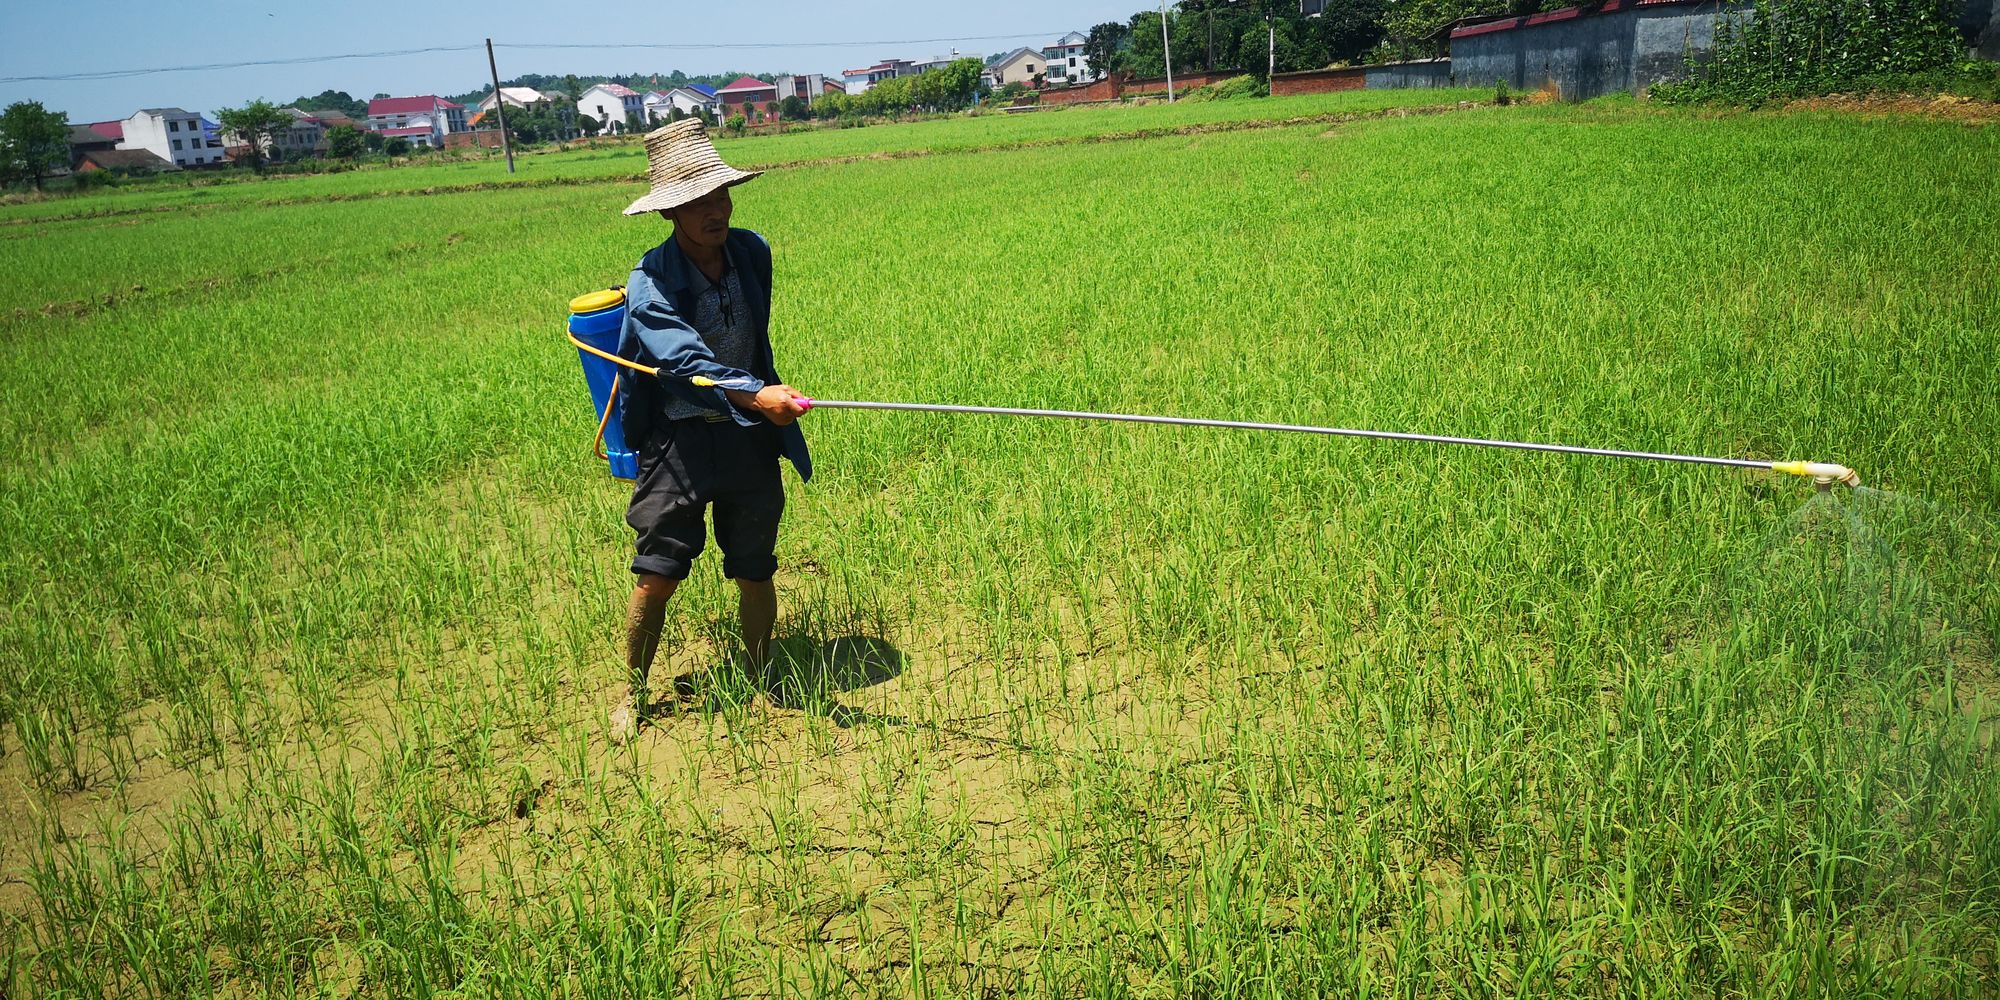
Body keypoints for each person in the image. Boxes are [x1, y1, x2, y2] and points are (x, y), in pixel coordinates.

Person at [609, 118, 811, 743]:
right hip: (678, 442)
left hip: (747, 433)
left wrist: (759, 398)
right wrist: (754, 393)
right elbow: (685, 359)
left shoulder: (752, 252)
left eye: (719, 195)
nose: (713, 210)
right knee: (657, 570)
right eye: (696, 202)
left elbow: (754, 339)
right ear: (670, 212)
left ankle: (761, 676)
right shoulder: (650, 281)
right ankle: (631, 694)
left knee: (754, 565)